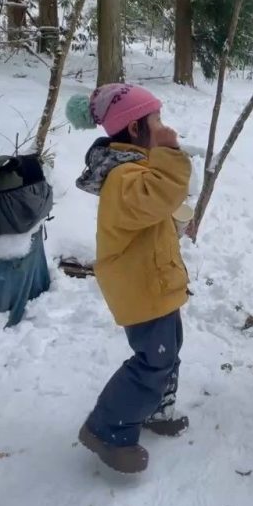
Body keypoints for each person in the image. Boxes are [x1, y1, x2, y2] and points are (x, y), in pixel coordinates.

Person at [66, 84, 191, 473]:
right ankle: (107, 429)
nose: (165, 128)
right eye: (157, 121)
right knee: (153, 361)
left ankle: (156, 409)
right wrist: (170, 155)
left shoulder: (134, 170)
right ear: (136, 129)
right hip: (141, 289)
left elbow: (155, 208)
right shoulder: (123, 177)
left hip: (155, 283)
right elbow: (156, 195)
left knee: (168, 351)